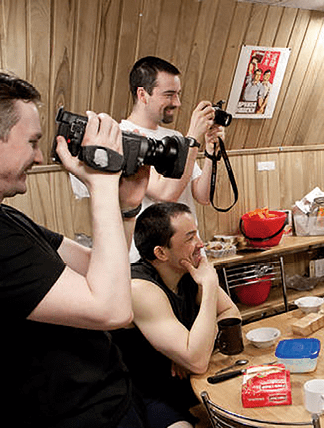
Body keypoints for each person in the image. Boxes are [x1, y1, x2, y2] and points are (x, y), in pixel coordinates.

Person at [0, 71, 150, 427]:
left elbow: (97, 269)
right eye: (32, 142)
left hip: (114, 402)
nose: (39, 157)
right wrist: (101, 183)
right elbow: (113, 310)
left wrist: (125, 207)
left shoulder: (8, 218)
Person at [112, 202, 240, 428]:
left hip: (190, 381)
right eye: (190, 238)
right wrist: (209, 287)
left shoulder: (189, 269)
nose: (201, 244)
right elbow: (198, 361)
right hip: (146, 392)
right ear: (161, 252)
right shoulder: (139, 288)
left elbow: (231, 313)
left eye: (197, 234)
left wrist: (190, 348)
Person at [123, 56, 223, 262]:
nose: (177, 103)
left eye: (178, 94)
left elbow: (203, 196)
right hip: (153, 258)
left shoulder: (176, 137)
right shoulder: (123, 136)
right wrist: (193, 139)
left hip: (191, 252)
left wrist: (212, 153)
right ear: (143, 94)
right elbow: (165, 194)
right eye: (169, 95)